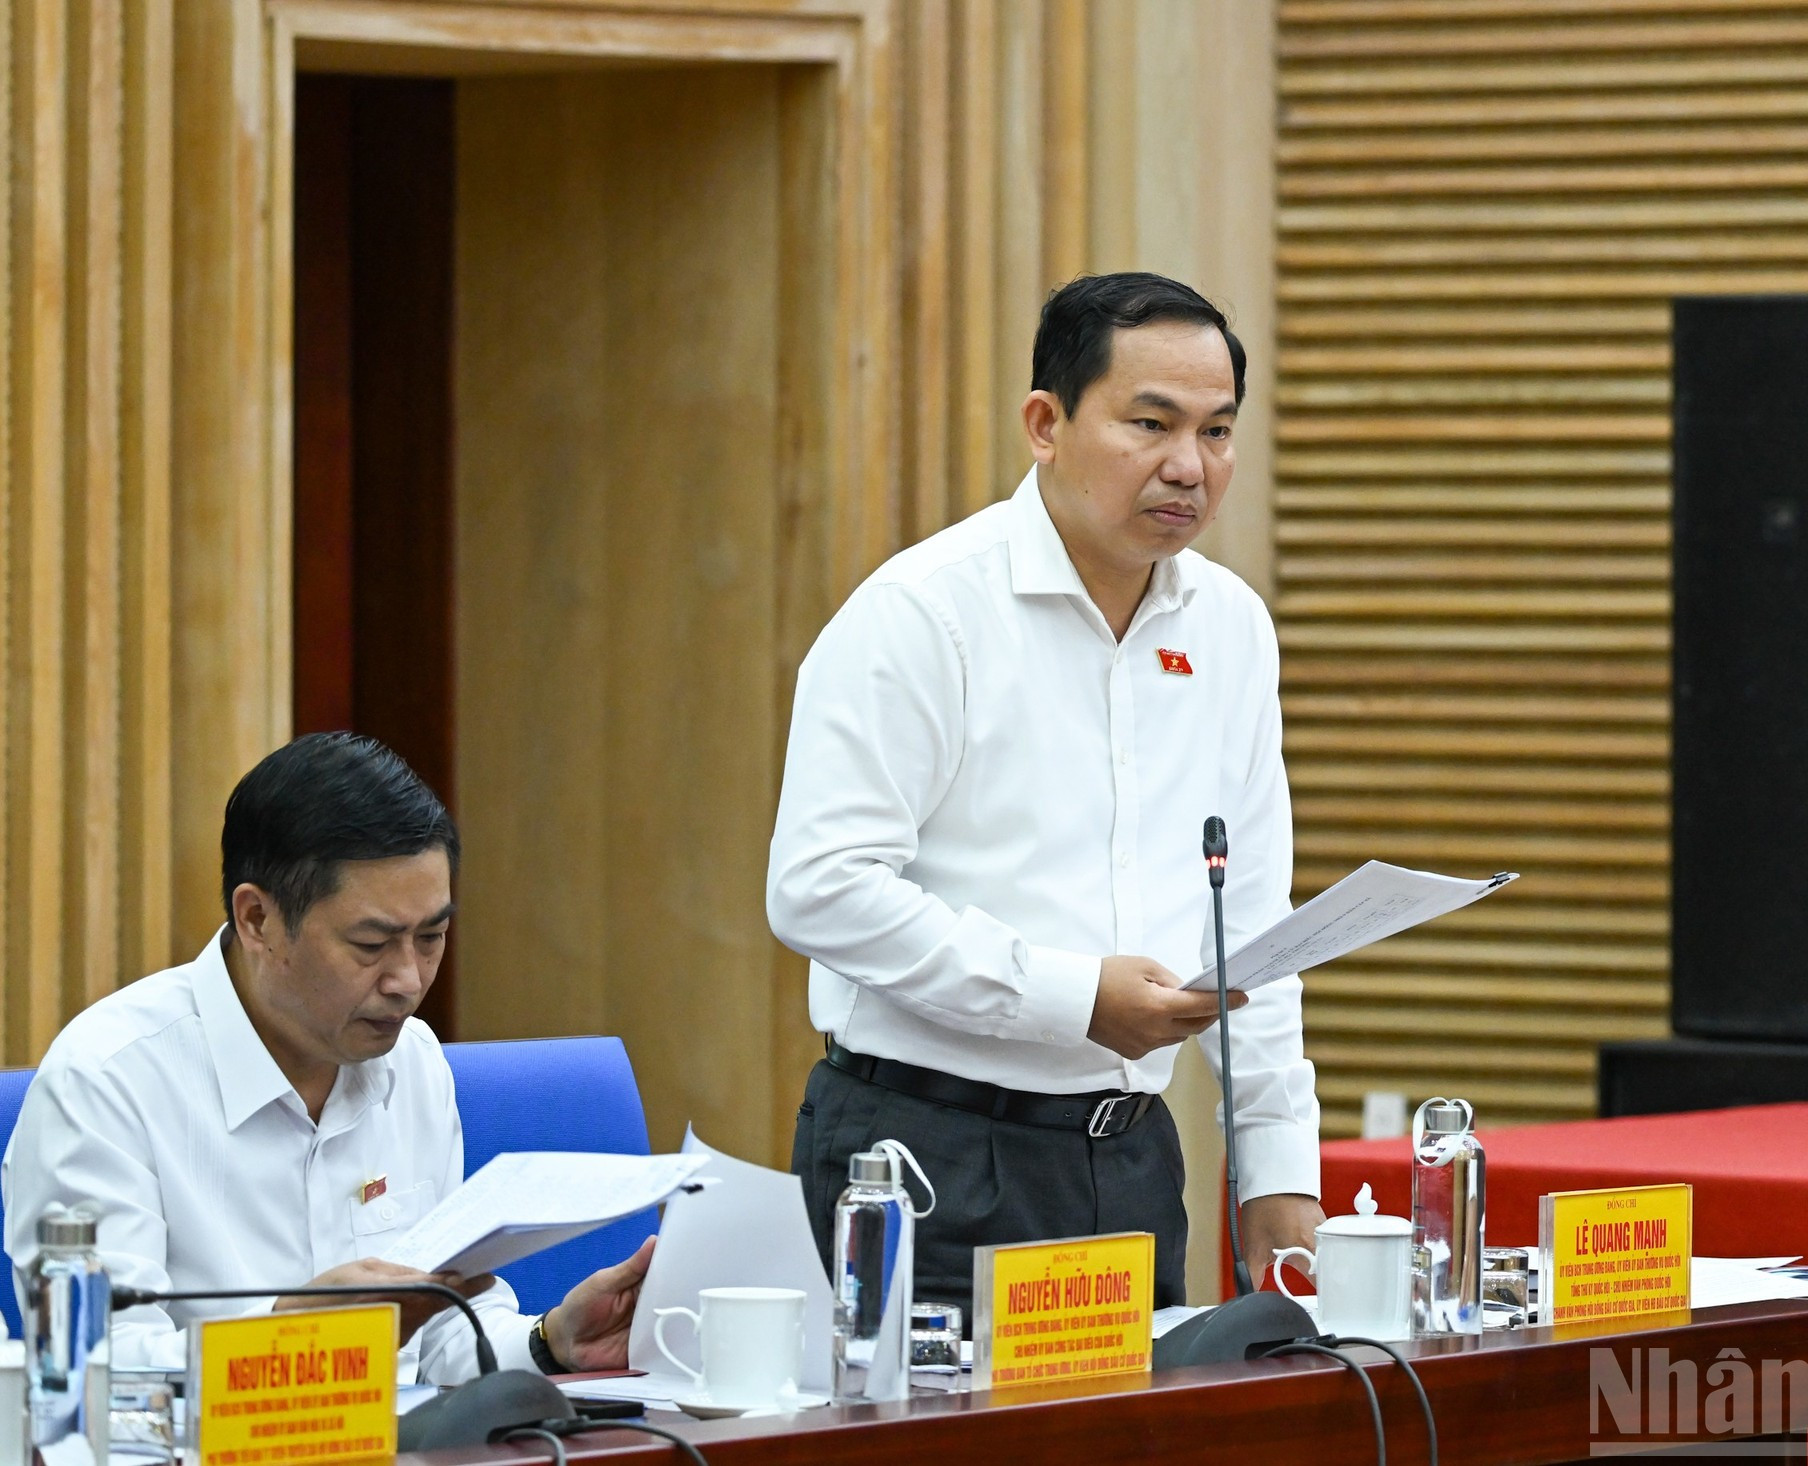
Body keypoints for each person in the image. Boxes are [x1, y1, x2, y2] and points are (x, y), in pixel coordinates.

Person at [770, 272, 1323, 1312]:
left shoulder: (1230, 626)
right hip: (925, 1152)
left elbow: (1246, 912)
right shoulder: (922, 615)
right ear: (1045, 422)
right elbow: (819, 888)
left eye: (1215, 431)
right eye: (1149, 423)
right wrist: (1073, 997)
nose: (1186, 466)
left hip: (1128, 1156)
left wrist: (1278, 1158)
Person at [2, 733, 652, 1383]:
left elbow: (438, 1338)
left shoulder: (413, 1063)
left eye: (432, 936)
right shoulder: (106, 1082)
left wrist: (552, 1340)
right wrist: (294, 1338)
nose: (408, 979)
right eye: (372, 943)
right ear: (257, 919)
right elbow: (91, 1371)